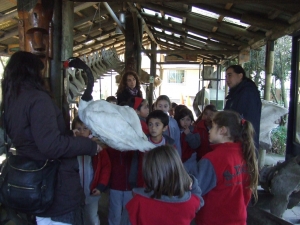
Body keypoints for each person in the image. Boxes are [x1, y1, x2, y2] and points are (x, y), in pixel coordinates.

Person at [1, 51, 102, 225]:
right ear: (32, 73)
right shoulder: (38, 100)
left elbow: (32, 138)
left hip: (35, 185)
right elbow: (51, 146)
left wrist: (69, 135)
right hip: (55, 188)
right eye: (40, 72)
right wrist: (88, 146)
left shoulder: (11, 101)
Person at [194, 111, 258, 225]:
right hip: (239, 219)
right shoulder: (246, 154)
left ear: (222, 130)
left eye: (213, 127)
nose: (209, 130)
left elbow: (195, 192)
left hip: (213, 220)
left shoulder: (213, 159)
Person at [120, 145, 203, 225]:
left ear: (149, 173)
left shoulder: (136, 204)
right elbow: (199, 199)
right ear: (178, 170)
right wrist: (191, 180)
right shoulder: (189, 202)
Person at [72, 116, 111, 225]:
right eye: (78, 129)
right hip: (75, 193)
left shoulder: (97, 147)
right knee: (77, 219)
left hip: (92, 191)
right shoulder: (71, 146)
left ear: (90, 130)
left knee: (92, 218)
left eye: (85, 128)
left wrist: (101, 186)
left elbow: (106, 167)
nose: (82, 132)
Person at [224, 65, 262, 154]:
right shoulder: (237, 93)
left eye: (230, 75)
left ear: (240, 76)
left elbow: (245, 119)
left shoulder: (248, 93)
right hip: (237, 140)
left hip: (243, 143)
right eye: (226, 76)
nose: (227, 79)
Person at [174, 107, 200, 174]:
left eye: (188, 119)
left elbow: (195, 145)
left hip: (191, 160)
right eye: (182, 119)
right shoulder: (176, 131)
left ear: (191, 121)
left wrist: (189, 134)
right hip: (178, 159)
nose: (185, 122)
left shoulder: (194, 131)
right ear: (178, 120)